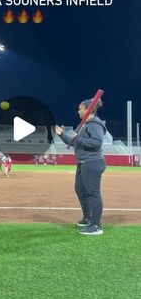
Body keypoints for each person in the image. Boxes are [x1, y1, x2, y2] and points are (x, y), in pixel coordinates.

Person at [55, 98, 106, 235]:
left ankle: (96, 226)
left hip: (92, 162)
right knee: (80, 190)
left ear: (87, 109)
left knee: (93, 194)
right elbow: (74, 143)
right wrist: (62, 135)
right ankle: (88, 218)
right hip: (83, 162)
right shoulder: (86, 125)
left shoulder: (95, 124)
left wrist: (78, 138)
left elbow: (96, 143)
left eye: (80, 108)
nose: (78, 111)